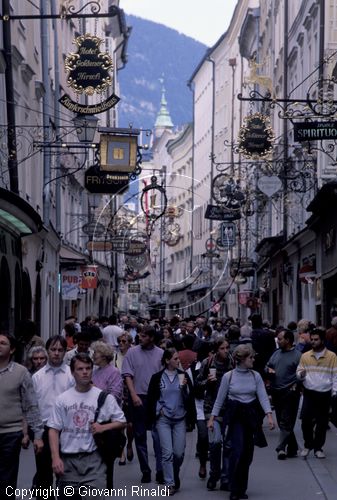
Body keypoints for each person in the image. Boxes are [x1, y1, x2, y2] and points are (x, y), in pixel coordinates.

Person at [48, 354, 126, 497]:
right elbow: (53, 429)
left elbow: (122, 421)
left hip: (94, 460)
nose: (85, 372)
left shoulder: (103, 397)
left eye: (88, 368)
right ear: (72, 372)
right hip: (68, 461)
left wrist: (103, 427)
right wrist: (55, 457)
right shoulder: (62, 400)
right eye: (80, 369)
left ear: (92, 370)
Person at [208, 344, 275, 500]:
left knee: (247, 454)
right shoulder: (228, 376)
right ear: (243, 359)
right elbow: (220, 399)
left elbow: (263, 396)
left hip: (251, 416)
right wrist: (212, 418)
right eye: (251, 357)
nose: (253, 359)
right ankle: (234, 488)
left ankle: (241, 487)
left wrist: (269, 415)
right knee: (237, 450)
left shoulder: (255, 376)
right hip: (235, 416)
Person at [0, 333, 44, 499]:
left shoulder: (21, 372)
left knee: (6, 480)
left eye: (3, 343)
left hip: (11, 433)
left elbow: (30, 404)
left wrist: (37, 434)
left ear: (11, 349)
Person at [147, 348, 196, 495]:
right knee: (167, 453)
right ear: (167, 360)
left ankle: (174, 474)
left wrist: (184, 388)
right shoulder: (157, 377)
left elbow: (190, 398)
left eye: (178, 358)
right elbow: (151, 398)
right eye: (175, 359)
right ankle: (169, 483)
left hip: (180, 418)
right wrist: (158, 410)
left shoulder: (183, 375)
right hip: (163, 419)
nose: (178, 361)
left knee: (179, 453)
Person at [32, 335, 74, 494]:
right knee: (43, 474)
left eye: (60, 350)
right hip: (43, 430)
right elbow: (33, 406)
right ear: (47, 351)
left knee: (65, 473)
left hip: (66, 431)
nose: (56, 353)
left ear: (65, 352)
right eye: (53, 349)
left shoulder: (71, 375)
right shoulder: (37, 377)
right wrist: (35, 434)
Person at [122, 326, 163, 483]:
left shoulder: (160, 354)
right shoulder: (132, 353)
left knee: (158, 436)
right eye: (140, 335)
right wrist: (133, 395)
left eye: (144, 336)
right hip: (138, 396)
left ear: (152, 337)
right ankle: (145, 470)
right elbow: (127, 376)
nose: (141, 338)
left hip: (155, 399)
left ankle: (160, 469)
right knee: (140, 436)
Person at [195, 338, 233, 491]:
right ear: (217, 349)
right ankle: (214, 473)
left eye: (227, 347)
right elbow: (198, 384)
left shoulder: (233, 363)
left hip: (229, 408)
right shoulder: (208, 363)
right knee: (216, 442)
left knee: (228, 445)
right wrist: (208, 382)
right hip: (211, 408)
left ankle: (225, 477)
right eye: (223, 348)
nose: (226, 351)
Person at [297, 327, 337, 459]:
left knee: (321, 422)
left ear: (322, 340)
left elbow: (335, 376)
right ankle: (308, 445)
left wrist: (334, 393)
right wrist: (301, 375)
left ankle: (318, 448)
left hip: (324, 393)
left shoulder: (331, 356)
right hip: (309, 392)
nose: (313, 342)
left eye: (316, 340)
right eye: (312, 339)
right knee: (305, 421)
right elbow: (299, 372)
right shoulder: (305, 356)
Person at [265, 329, 302, 459]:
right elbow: (267, 366)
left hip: (290, 392)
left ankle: (280, 448)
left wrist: (296, 386)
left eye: (280, 339)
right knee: (282, 420)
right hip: (276, 391)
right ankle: (292, 448)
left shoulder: (298, 355)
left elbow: (302, 375)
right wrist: (268, 370)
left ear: (288, 340)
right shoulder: (276, 353)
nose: (278, 341)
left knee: (286, 420)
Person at [92, 341, 123, 406]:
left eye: (95, 353)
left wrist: (96, 390)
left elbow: (115, 395)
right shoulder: (94, 371)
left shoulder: (114, 372)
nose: (93, 355)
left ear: (104, 356)